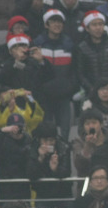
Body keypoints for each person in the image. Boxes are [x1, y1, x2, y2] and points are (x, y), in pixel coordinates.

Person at [32, 8, 77, 141]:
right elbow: (34, 71)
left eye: (60, 22)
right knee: (46, 132)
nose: (57, 25)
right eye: (53, 22)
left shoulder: (69, 44)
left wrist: (70, 86)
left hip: (64, 94)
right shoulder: (37, 44)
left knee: (65, 132)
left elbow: (75, 69)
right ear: (46, 25)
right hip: (44, 96)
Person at [74, 11, 108, 97]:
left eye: (100, 24)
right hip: (91, 92)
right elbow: (80, 73)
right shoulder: (82, 48)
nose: (98, 28)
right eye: (94, 25)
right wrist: (91, 88)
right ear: (87, 28)